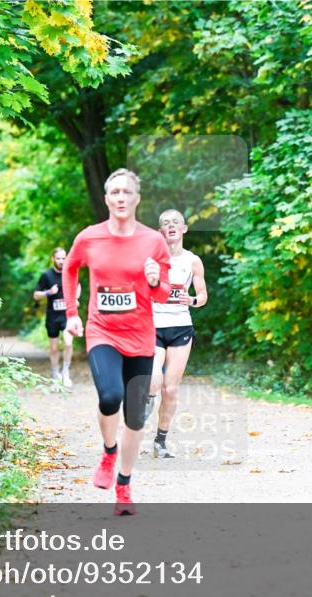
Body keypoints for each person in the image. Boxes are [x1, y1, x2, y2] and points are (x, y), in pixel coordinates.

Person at [62, 168, 172, 516]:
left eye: (127, 192)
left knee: (136, 417)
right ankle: (109, 452)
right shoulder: (89, 238)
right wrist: (71, 313)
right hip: (102, 331)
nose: (121, 197)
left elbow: (164, 293)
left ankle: (123, 486)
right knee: (110, 395)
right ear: (108, 199)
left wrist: (155, 281)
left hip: (140, 336)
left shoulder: (153, 241)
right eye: (115, 192)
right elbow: (70, 268)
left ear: (137, 198)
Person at [146, 209, 208, 458]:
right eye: (165, 224)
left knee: (170, 389)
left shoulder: (193, 261)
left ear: (184, 229)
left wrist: (191, 299)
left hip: (181, 327)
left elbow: (203, 296)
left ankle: (160, 441)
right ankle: (145, 401)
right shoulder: (150, 259)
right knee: (153, 379)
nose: (170, 226)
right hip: (153, 325)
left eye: (175, 223)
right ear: (161, 232)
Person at [33, 247, 78, 387]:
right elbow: (36, 295)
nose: (61, 261)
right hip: (53, 317)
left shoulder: (70, 273)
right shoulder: (46, 275)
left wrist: (76, 297)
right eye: (58, 258)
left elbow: (79, 286)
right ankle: (55, 375)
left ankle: (65, 373)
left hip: (67, 316)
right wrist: (49, 292)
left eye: (63, 258)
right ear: (53, 259)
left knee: (68, 343)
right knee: (53, 349)